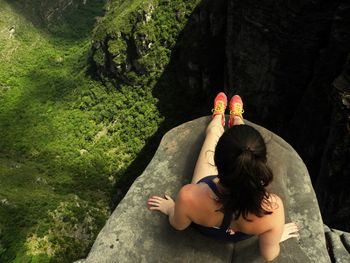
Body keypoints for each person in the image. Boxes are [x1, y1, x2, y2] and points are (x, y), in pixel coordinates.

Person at [147, 92, 299, 261]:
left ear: (215, 161)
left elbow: (179, 225)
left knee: (212, 135)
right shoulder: (273, 209)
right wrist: (275, 235)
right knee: (242, 143)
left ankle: (218, 120)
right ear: (261, 162)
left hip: (208, 225)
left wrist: (170, 209)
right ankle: (237, 120)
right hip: (242, 234)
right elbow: (269, 255)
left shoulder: (189, 196)